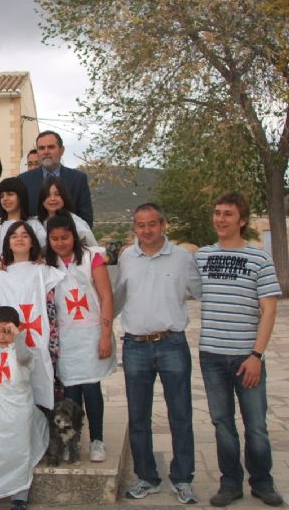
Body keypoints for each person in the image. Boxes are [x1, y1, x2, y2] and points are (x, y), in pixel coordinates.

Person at [195, 192, 283, 508]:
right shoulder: (202, 256)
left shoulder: (259, 258)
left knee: (256, 425)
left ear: (242, 220)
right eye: (217, 213)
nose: (220, 219)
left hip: (247, 357)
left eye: (228, 214)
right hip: (212, 356)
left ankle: (262, 482)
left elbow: (269, 310)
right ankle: (230, 483)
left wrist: (256, 356)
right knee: (222, 423)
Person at [113, 203, 202, 504]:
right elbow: (117, 299)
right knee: (138, 417)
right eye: (141, 225)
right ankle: (147, 477)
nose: (147, 230)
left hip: (171, 344)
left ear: (164, 225)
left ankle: (183, 477)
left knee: (181, 415)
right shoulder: (127, 258)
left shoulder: (182, 258)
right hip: (135, 345)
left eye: (152, 224)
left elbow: (203, 292)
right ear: (134, 227)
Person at [46, 211, 115, 462]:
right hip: (65, 338)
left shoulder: (91, 258)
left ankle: (97, 440)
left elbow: (106, 296)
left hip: (91, 334)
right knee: (70, 392)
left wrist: (105, 335)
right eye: (55, 239)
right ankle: (71, 441)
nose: (60, 243)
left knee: (92, 388)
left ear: (74, 237)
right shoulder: (47, 263)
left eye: (65, 237)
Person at [0, 306, 49, 510]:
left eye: (7, 331)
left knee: (18, 450)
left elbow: (23, 359)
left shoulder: (22, 352)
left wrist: (18, 337)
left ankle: (19, 495)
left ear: (16, 330)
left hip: (17, 410)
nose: (2, 336)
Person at [0, 222, 64, 410]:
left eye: (24, 235)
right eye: (14, 236)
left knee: (40, 389)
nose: (19, 239)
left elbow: (52, 308)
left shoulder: (43, 271)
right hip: (9, 342)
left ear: (32, 243)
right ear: (8, 244)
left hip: (39, 339)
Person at [18, 130, 93, 226]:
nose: (46, 152)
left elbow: (86, 219)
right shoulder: (23, 180)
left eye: (51, 147)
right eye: (41, 148)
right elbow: (20, 217)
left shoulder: (78, 179)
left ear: (62, 150)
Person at [0, 177, 46, 274]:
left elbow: (40, 254)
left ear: (21, 196)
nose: (5, 199)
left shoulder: (34, 224)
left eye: (10, 194)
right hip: (2, 282)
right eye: (2, 196)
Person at [38, 176, 96, 247]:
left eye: (57, 194)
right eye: (48, 195)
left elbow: (93, 250)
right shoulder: (36, 223)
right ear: (42, 199)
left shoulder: (76, 224)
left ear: (64, 197)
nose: (52, 198)